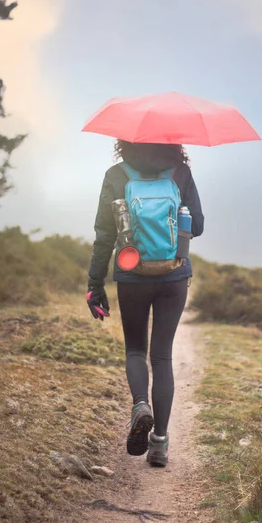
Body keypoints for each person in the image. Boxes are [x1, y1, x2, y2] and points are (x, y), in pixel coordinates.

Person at [87, 140, 204, 466]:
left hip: (132, 274)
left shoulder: (116, 174)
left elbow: (104, 235)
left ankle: (141, 406)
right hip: (174, 277)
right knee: (162, 356)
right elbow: (198, 226)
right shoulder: (180, 172)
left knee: (136, 350)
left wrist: (95, 286)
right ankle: (160, 444)